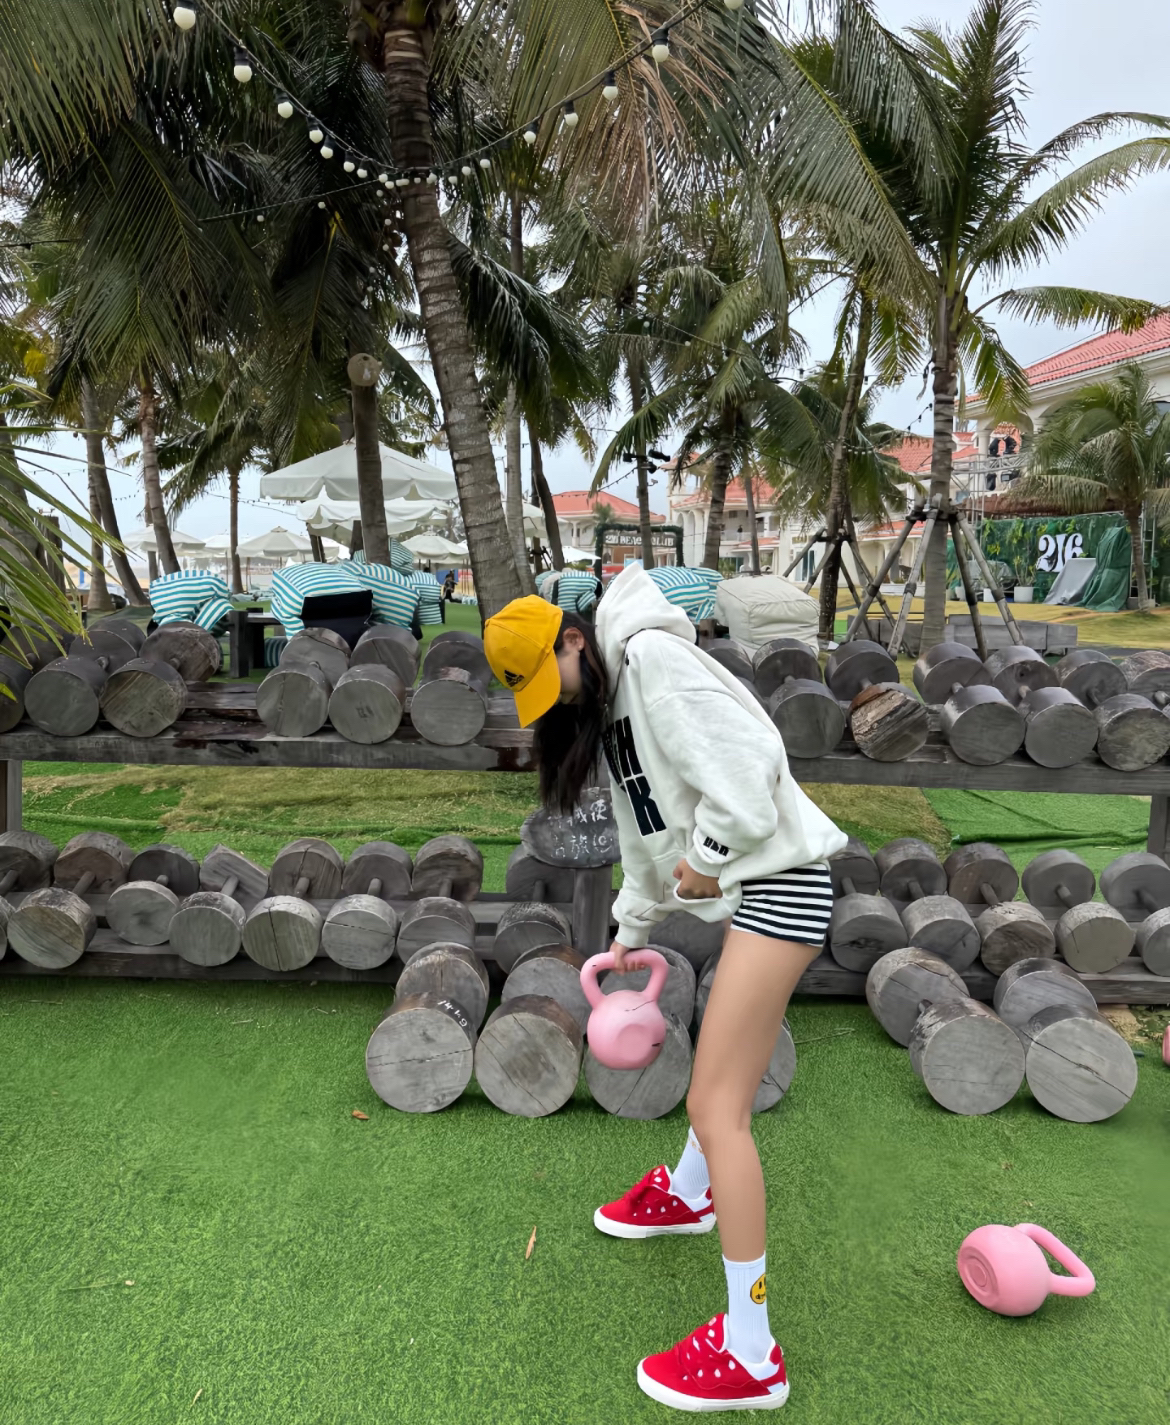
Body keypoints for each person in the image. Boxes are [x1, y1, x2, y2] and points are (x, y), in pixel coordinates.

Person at [484, 565, 846, 1413]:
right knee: (720, 1092)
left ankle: (752, 1353)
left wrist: (710, 857)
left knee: (718, 1109)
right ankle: (688, 1194)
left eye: (553, 679)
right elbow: (648, 839)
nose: (557, 702)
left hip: (783, 886)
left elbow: (751, 767)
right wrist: (629, 932)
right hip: (762, 892)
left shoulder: (650, 660)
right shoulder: (612, 705)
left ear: (576, 639)